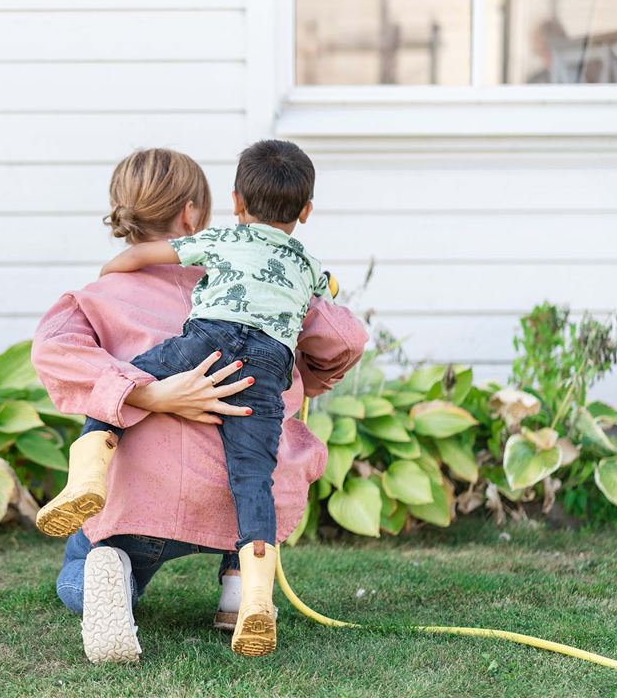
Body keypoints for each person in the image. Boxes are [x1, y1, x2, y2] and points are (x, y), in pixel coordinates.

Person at [31, 147, 367, 663]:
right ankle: (241, 586)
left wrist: (145, 393)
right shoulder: (269, 280)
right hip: (232, 507)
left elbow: (53, 350)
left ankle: (109, 564)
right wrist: (305, 378)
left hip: (141, 503)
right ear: (191, 214)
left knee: (83, 559)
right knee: (256, 471)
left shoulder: (98, 295)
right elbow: (345, 339)